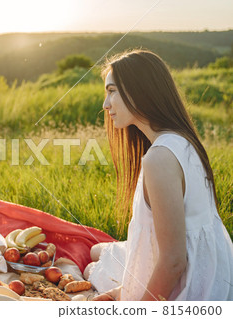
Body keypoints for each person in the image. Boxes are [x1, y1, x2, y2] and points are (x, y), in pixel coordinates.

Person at [89, 49, 232, 301]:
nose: (105, 104)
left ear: (139, 90)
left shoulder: (160, 158)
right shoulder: (182, 141)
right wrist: (119, 292)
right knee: (97, 253)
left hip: (193, 292)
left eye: (111, 91)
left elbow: (174, 262)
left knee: (92, 269)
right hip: (214, 275)